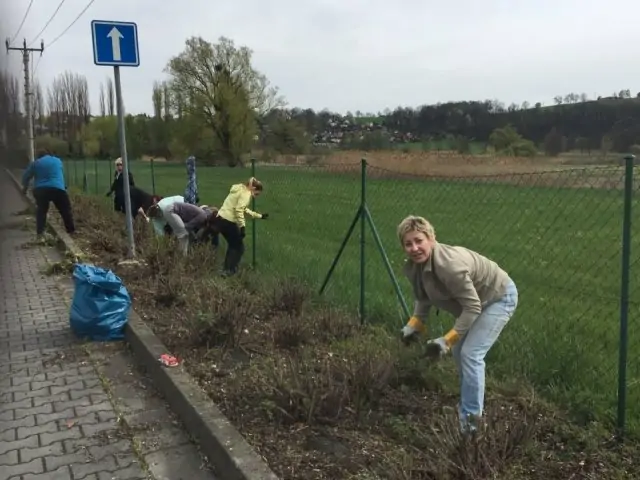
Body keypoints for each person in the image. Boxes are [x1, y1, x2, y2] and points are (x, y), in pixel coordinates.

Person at [398, 215, 518, 433]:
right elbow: (423, 296)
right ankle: (468, 407)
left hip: (498, 297)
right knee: (460, 353)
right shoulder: (416, 266)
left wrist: (447, 340)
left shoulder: (449, 267)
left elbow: (472, 308)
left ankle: (471, 426)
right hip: (476, 303)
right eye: (408, 243)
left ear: (432, 239)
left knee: (471, 354)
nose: (414, 248)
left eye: (419, 240)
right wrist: (415, 324)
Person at [214, 177, 269, 276]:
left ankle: (226, 269)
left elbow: (243, 209)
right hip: (228, 221)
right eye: (256, 194)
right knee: (239, 247)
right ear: (253, 188)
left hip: (220, 219)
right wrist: (242, 227)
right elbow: (239, 210)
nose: (255, 196)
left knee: (233, 245)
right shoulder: (246, 194)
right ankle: (230, 270)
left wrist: (259, 216)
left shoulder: (239, 189)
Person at [21, 149, 75, 237]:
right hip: (58, 188)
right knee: (65, 210)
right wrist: (63, 187)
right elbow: (60, 175)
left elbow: (26, 177)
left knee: (41, 211)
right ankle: (71, 230)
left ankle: (40, 232)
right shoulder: (57, 161)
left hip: (41, 190)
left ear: (39, 156)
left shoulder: (36, 163)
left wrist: (25, 188)